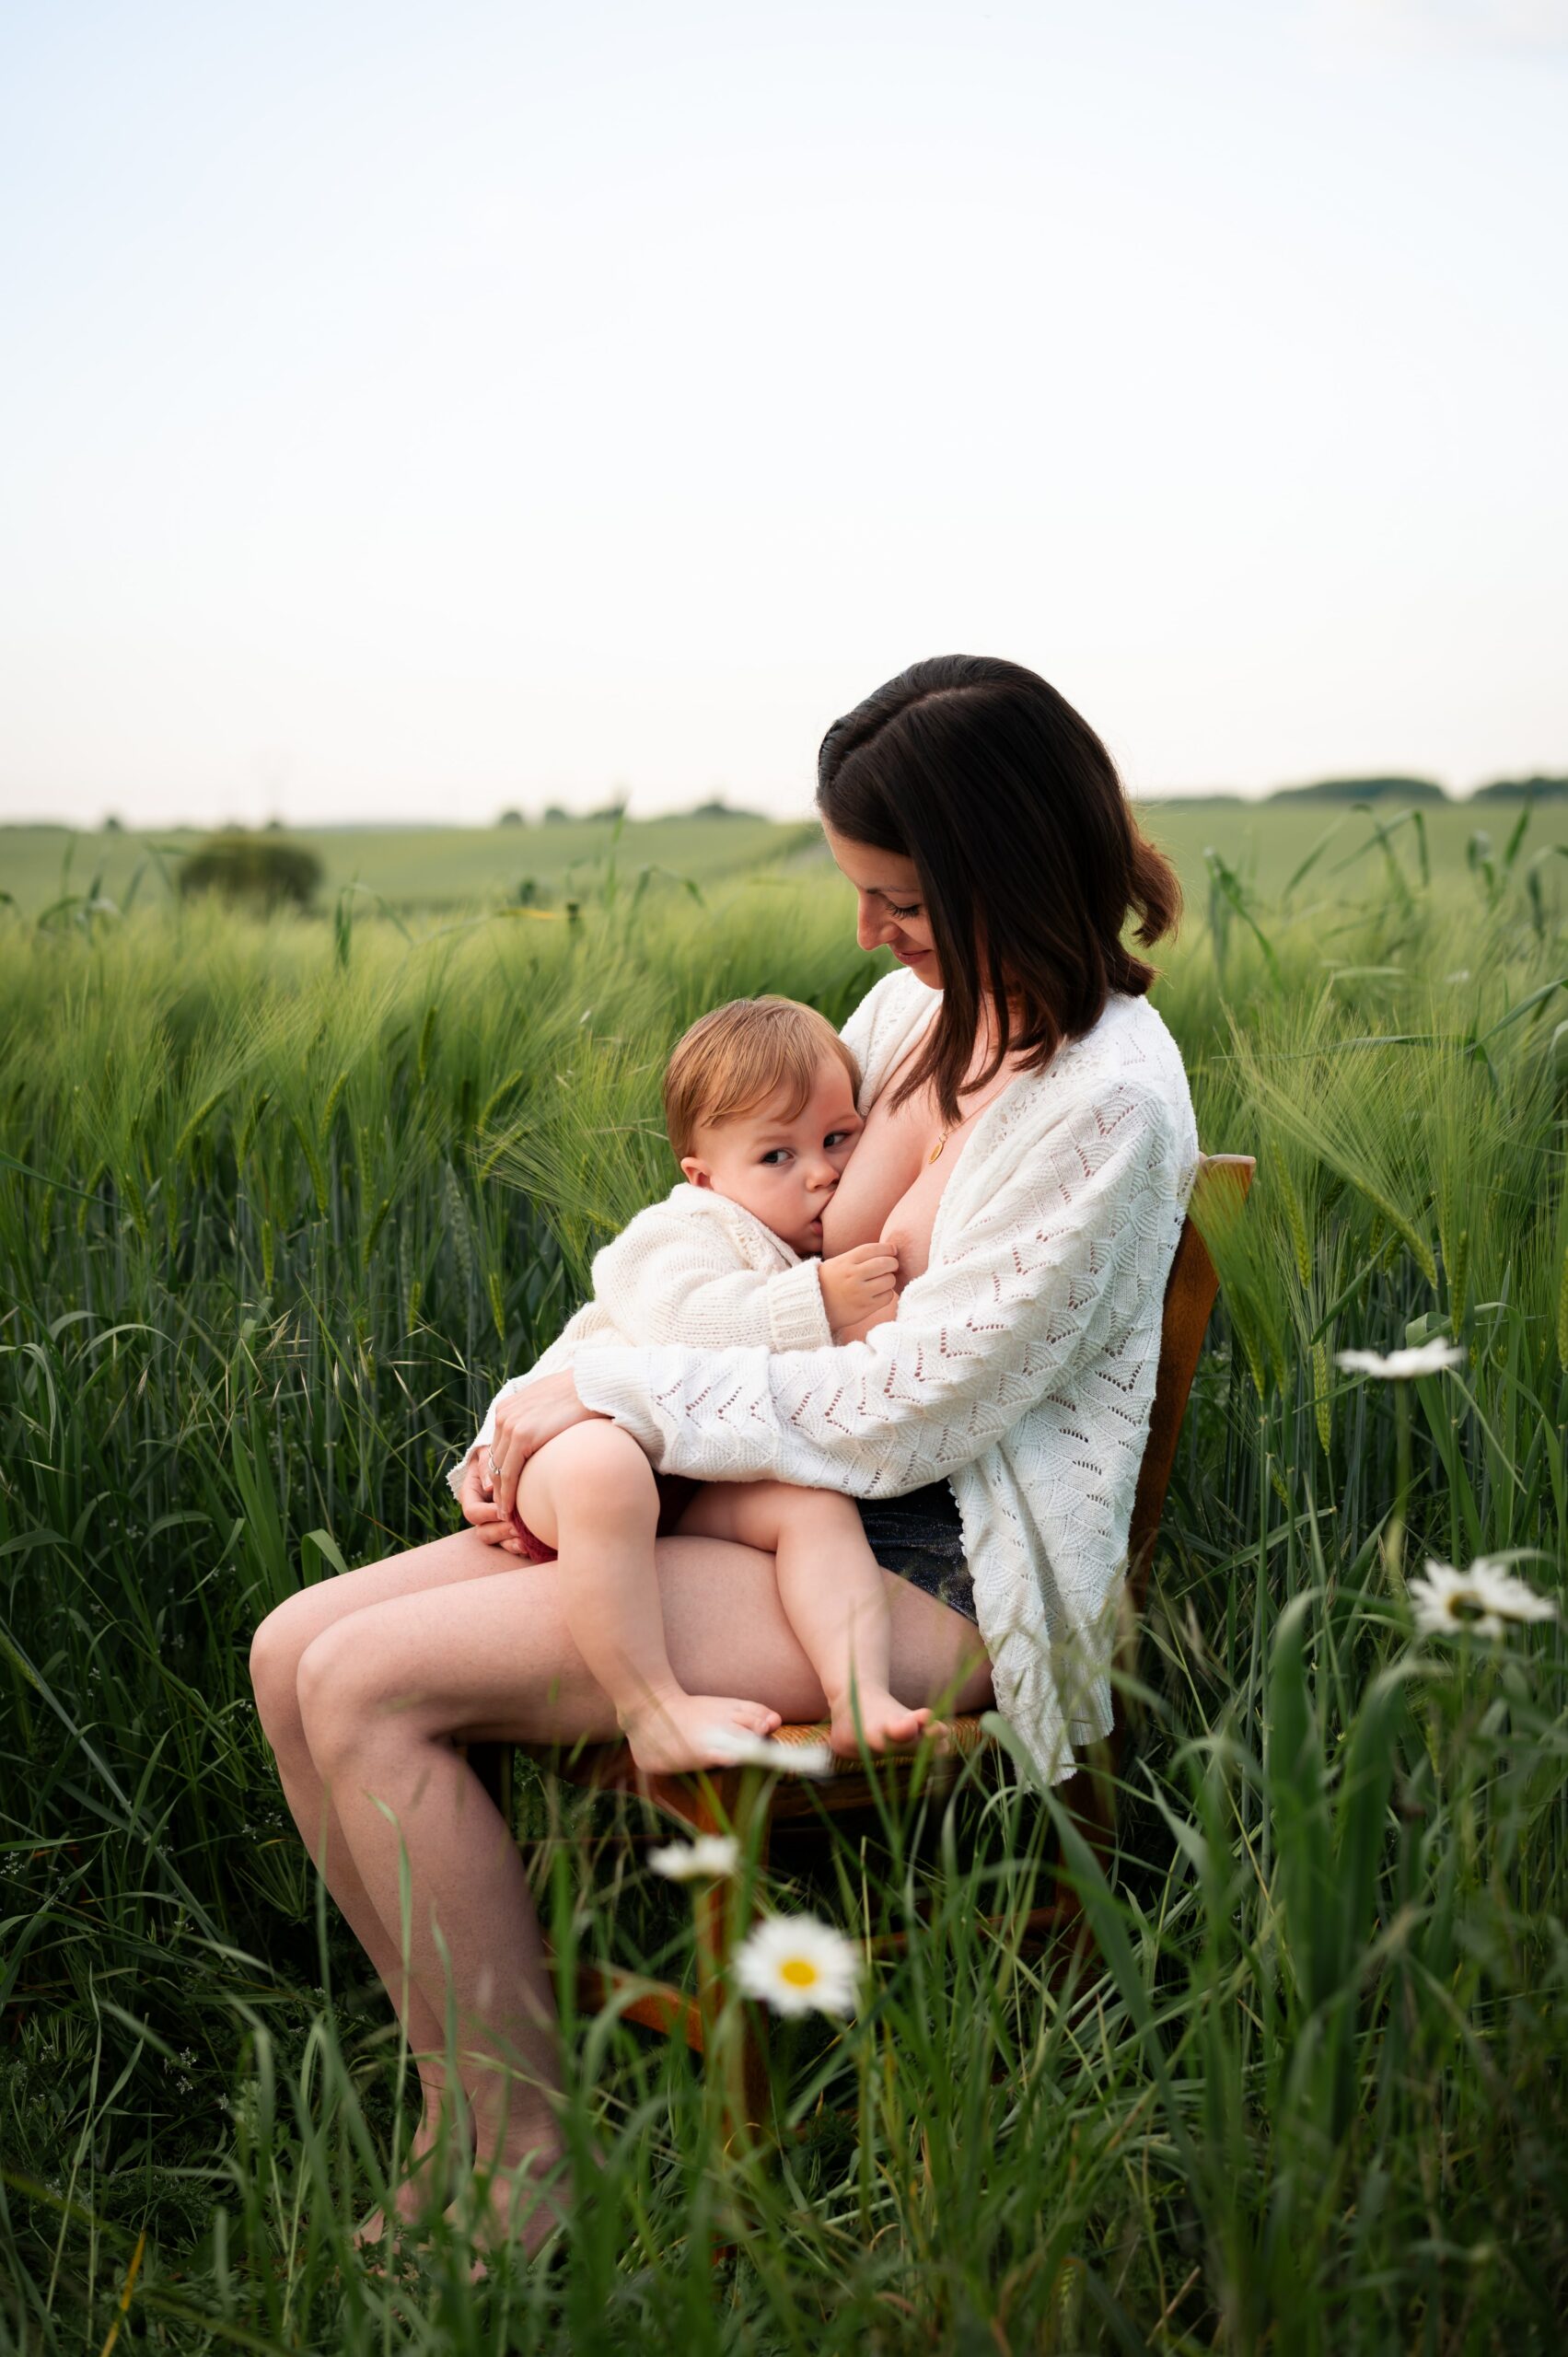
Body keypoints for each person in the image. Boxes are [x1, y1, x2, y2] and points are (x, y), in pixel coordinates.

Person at [248, 654, 1199, 2260]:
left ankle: (525, 2163)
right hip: (771, 1498)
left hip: (931, 1563)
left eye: (894, 895)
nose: (864, 935)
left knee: (367, 1686)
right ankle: (459, 2117)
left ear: (996, 871)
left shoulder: (1104, 1107)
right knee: (290, 1651)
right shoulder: (913, 1018)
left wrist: (612, 1406)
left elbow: (914, 1410)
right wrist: (544, 1403)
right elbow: (723, 1252)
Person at [449, 993, 935, 1769]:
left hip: (691, 1477)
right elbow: (679, 1322)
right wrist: (816, 1303)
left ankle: (858, 1695)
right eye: (776, 1156)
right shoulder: (680, 1231)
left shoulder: (806, 1239)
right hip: (573, 1455)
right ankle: (652, 1711)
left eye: (839, 1139)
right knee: (607, 1471)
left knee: (811, 1508)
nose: (820, 1175)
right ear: (702, 1177)